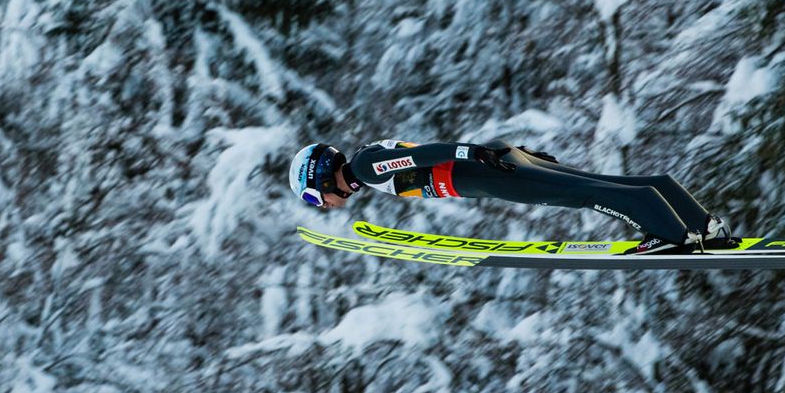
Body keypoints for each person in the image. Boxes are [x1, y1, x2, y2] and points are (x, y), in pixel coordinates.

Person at [288, 139, 734, 254]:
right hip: (490, 161)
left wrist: (476, 154)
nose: (321, 206)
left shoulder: (364, 166)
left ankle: (673, 233)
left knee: (585, 194)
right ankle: (702, 227)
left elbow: (423, 155)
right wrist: (509, 154)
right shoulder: (368, 163)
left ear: (324, 179)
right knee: (607, 181)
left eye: (314, 198)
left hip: (483, 171)